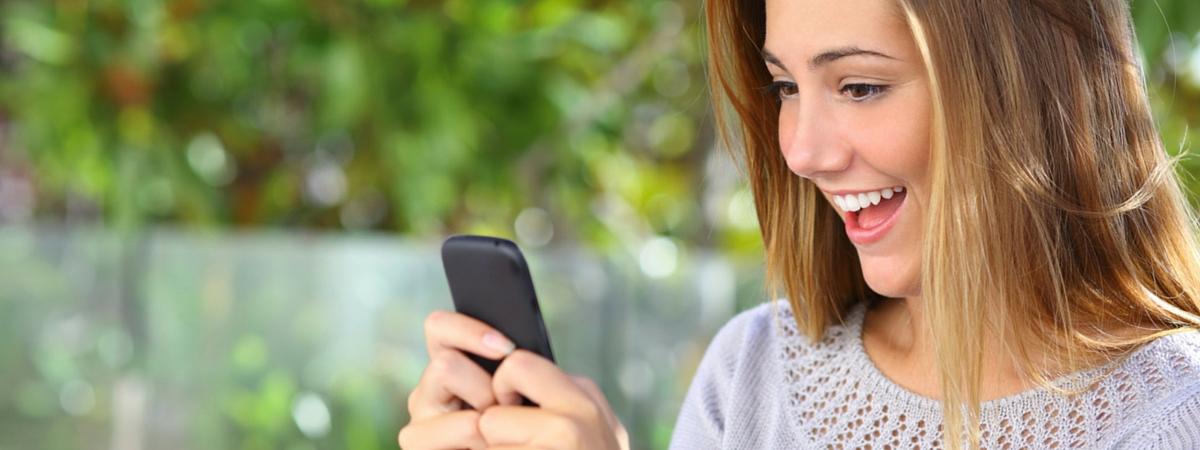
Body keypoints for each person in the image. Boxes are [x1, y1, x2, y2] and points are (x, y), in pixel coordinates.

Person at [398, 0, 1200, 448]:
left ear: (1025, 94)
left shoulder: (1173, 414)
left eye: (858, 86)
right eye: (785, 88)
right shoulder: (752, 374)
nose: (800, 151)